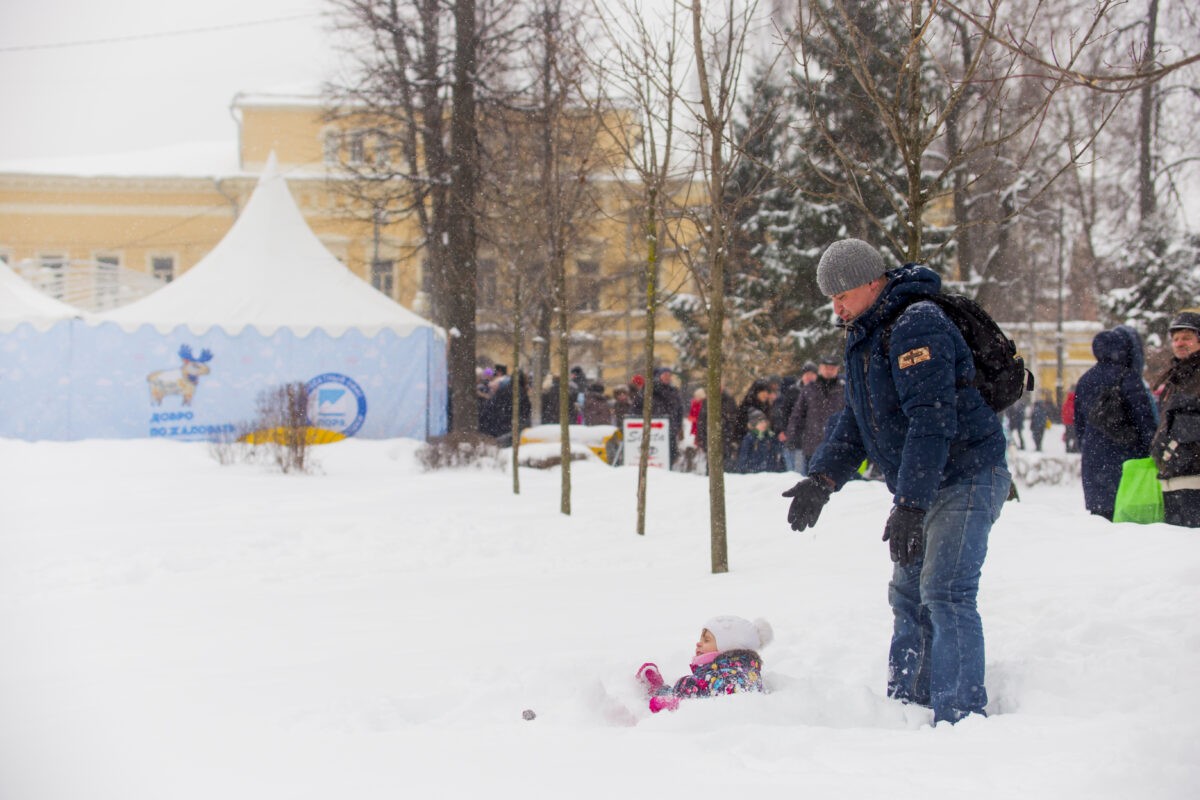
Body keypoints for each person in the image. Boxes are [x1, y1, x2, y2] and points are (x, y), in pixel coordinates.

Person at [781, 238, 1010, 725]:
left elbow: (932, 419)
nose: (837, 308)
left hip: (967, 473)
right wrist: (822, 479)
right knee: (908, 594)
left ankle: (960, 715)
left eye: (842, 295)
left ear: (872, 282)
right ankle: (906, 704)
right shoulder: (864, 334)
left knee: (945, 591)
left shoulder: (916, 325)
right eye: (831, 299)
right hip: (925, 481)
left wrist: (909, 504)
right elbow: (857, 420)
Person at [1074, 326, 1156, 520]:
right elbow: (1144, 420)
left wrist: (1089, 449)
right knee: (1129, 523)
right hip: (1127, 460)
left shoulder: (1085, 379)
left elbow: (1079, 426)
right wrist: (1152, 449)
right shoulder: (1129, 377)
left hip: (1093, 462)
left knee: (1103, 521)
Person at [634, 615, 773, 714]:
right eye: (701, 638)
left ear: (727, 647)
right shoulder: (733, 670)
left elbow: (729, 699)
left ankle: (660, 691)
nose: (698, 643)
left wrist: (678, 704)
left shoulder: (732, 676)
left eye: (706, 640)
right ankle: (662, 690)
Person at [1150, 311, 1200, 527]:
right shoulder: (1176, 375)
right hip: (1173, 477)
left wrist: (1179, 437)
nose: (1180, 343)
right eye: (1176, 339)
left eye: (1187, 338)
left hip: (1194, 478)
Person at [785, 356, 845, 476]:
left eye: (832, 368)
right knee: (810, 478)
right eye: (826, 367)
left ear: (837, 369)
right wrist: (792, 436)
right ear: (820, 368)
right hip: (812, 443)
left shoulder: (843, 389)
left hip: (836, 443)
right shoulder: (809, 389)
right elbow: (797, 415)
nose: (829, 371)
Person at [633, 366, 685, 468]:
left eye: (669, 375)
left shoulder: (674, 391)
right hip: (653, 430)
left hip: (670, 429)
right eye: (665, 375)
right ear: (658, 376)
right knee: (654, 455)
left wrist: (679, 426)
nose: (667, 377)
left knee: (670, 455)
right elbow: (637, 407)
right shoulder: (649, 390)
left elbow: (679, 410)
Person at [736, 408, 785, 473]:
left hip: (771, 472)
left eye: (765, 421)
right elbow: (743, 457)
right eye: (760, 422)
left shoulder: (770, 435)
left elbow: (778, 450)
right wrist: (744, 470)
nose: (764, 424)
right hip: (754, 472)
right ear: (754, 425)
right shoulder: (749, 438)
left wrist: (780, 443)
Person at [1062, 388, 1078, 453]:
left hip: (1067, 422)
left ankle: (1067, 448)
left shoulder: (1066, 403)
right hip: (1073, 422)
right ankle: (1074, 449)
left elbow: (1063, 412)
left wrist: (1064, 420)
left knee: (1068, 435)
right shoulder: (1075, 403)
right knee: (1075, 436)